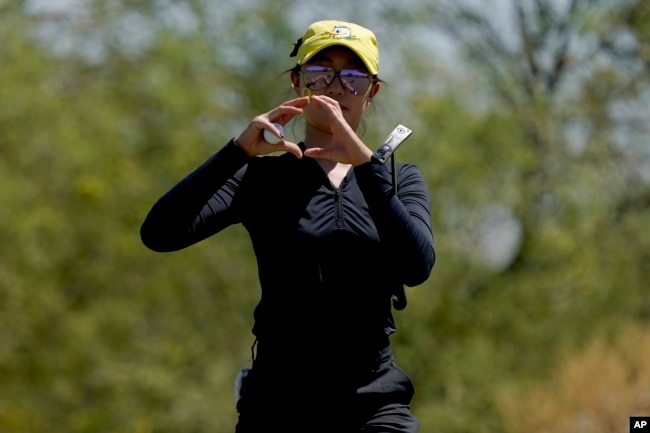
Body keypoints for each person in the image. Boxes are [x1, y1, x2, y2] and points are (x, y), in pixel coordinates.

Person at [140, 19, 435, 433]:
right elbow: (160, 233)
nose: (335, 87)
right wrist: (237, 152)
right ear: (298, 83)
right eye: (321, 74)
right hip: (278, 403)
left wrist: (368, 168)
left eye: (353, 77)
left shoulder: (399, 180)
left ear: (372, 91)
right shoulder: (261, 179)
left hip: (373, 403)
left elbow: (417, 267)